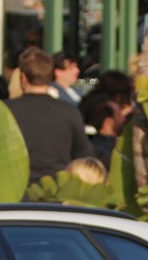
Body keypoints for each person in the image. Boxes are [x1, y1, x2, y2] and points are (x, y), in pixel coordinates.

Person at [6, 47, 93, 182]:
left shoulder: (6, 111)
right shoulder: (68, 111)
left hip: (14, 192)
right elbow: (84, 153)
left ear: (23, 78)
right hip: (56, 192)